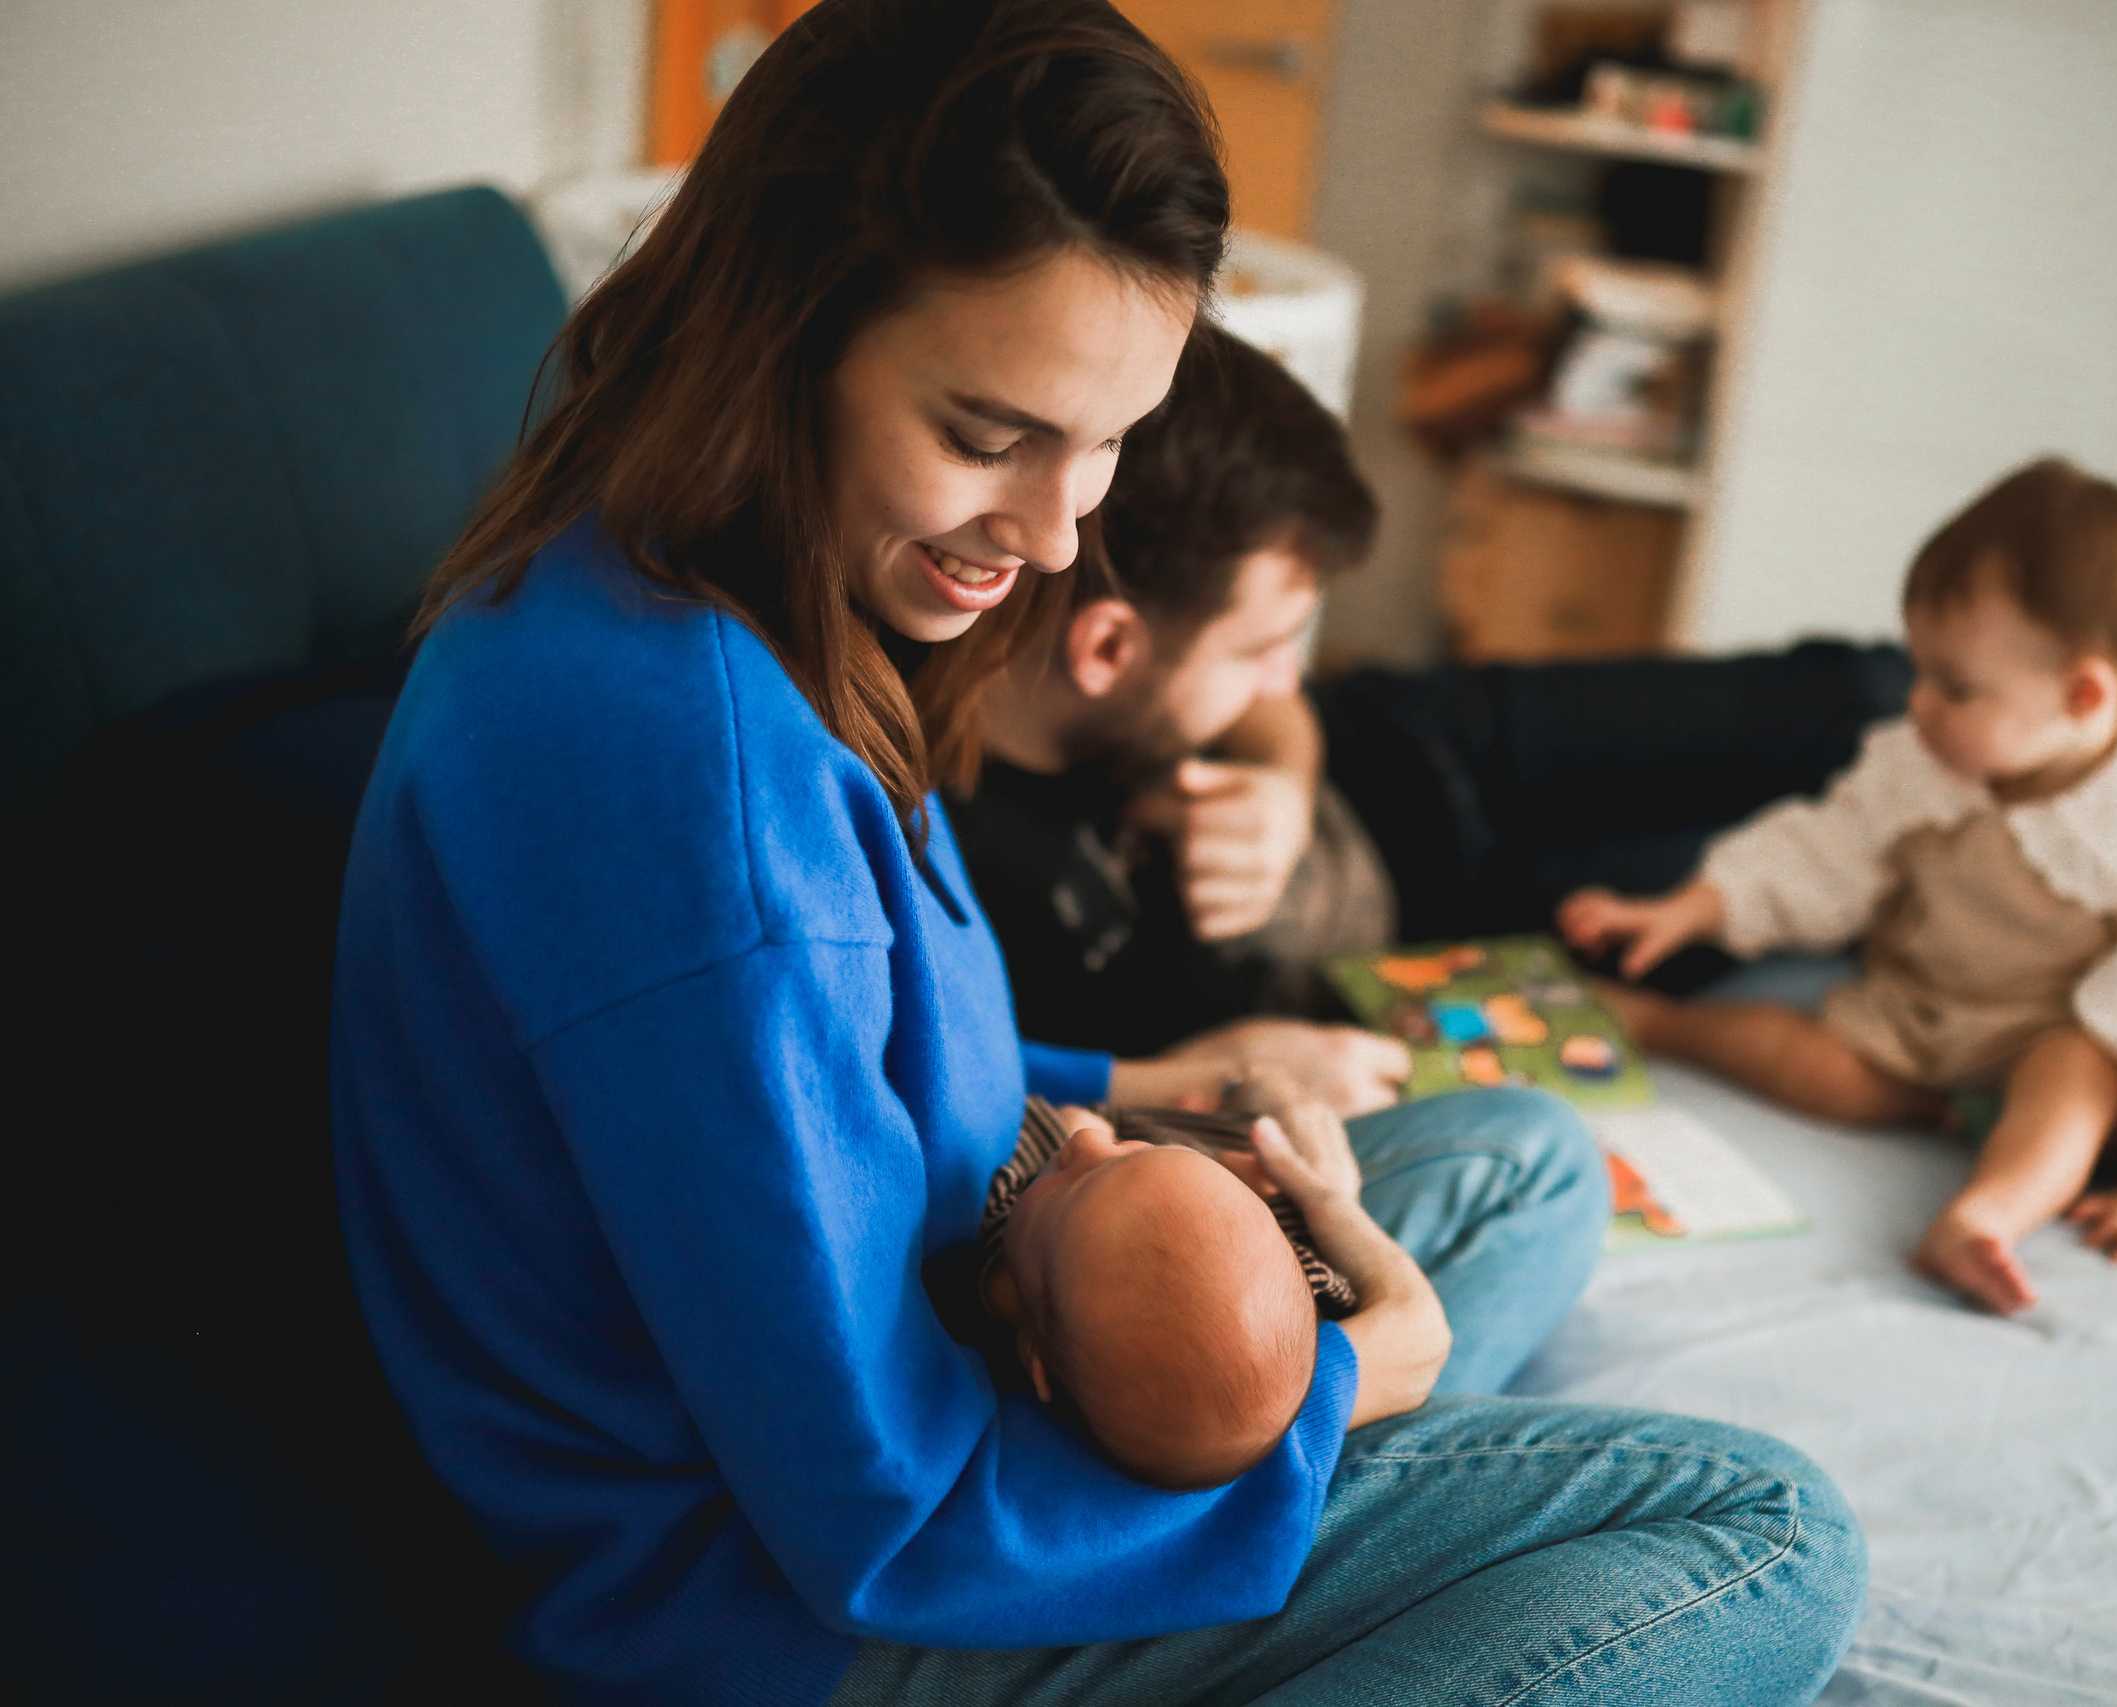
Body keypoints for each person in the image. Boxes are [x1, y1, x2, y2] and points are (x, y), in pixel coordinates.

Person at [330, 4, 1867, 1703]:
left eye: (1109, 437)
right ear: (786, 330)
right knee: (1764, 1530)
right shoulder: (690, 789)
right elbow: (881, 1510)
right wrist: (1362, 1376)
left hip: (960, 1331)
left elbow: (830, 1076)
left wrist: (1153, 1075)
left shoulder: (705, 583)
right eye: (990, 437)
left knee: (1522, 1158)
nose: (1061, 531)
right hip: (798, 1611)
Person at [947, 330, 2117, 1095]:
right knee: (1889, 822)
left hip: (1433, 740)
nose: (1280, 673)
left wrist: (1278, 764)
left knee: (1865, 689)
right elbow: (1010, 1105)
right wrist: (1185, 1070)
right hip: (1441, 917)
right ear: (1105, 651)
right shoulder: (963, 874)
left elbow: (1284, 707)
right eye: (1267, 645)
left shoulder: (1128, 619)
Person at [1559, 460, 2117, 1313]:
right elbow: (1829, 846)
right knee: (1823, 1066)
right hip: (1919, 1012)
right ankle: (1662, 1023)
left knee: (2076, 1074)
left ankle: (1986, 1215)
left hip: (2047, 1034)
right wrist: (1692, 907)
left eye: (1955, 686)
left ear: (2083, 693)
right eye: (1920, 670)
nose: (1919, 703)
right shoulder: (1926, 759)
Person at [968, 1092, 1422, 1491]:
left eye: (1071, 1185)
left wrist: (1063, 1128)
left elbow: (1029, 1126)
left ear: (1035, 1358)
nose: (1086, 1146)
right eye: (1132, 1153)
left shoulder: (1000, 1237)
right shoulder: (1297, 1283)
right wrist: (1251, 1180)